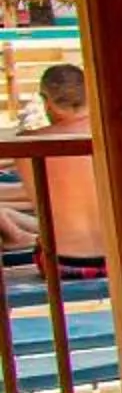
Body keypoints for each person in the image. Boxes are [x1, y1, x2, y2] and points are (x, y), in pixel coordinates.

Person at [1, 65, 108, 282]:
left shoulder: (27, 145)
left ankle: (19, 236)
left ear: (46, 100)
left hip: (61, 263)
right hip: (119, 259)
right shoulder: (112, 135)